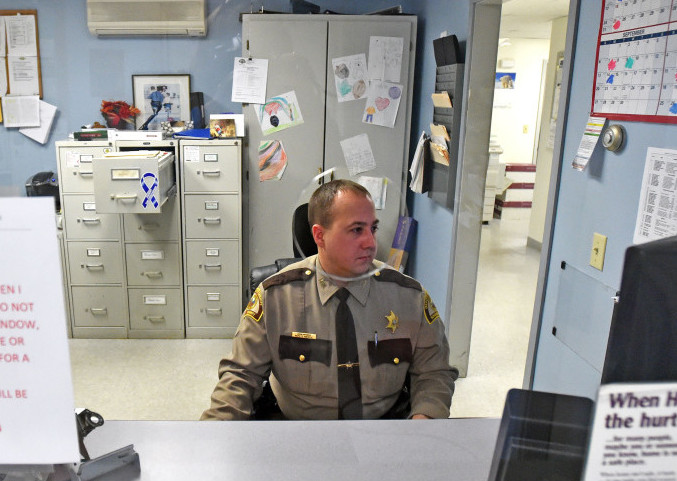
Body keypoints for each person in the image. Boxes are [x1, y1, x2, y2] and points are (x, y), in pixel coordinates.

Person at [201, 180, 458, 420]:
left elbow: (434, 373)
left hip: (382, 427)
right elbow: (240, 376)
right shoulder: (275, 296)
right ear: (319, 236)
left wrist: (423, 420)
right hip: (297, 430)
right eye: (356, 230)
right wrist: (215, 434)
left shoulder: (408, 296)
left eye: (373, 228)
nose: (370, 242)